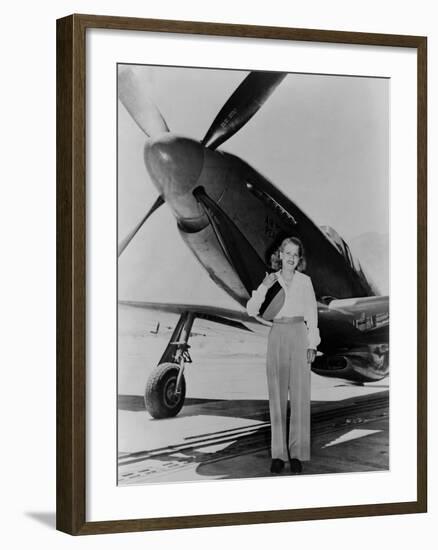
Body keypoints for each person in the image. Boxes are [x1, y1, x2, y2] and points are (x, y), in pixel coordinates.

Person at [246, 237, 320, 474]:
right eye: (286, 253)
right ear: (280, 255)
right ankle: (278, 454)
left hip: (299, 334)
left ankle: (297, 454)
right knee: (276, 397)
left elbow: (312, 314)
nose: (290, 258)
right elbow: (251, 310)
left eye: (294, 255)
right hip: (277, 333)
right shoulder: (271, 280)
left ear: (299, 259)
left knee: (300, 396)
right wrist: (264, 287)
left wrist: (312, 343)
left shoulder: (305, 282)